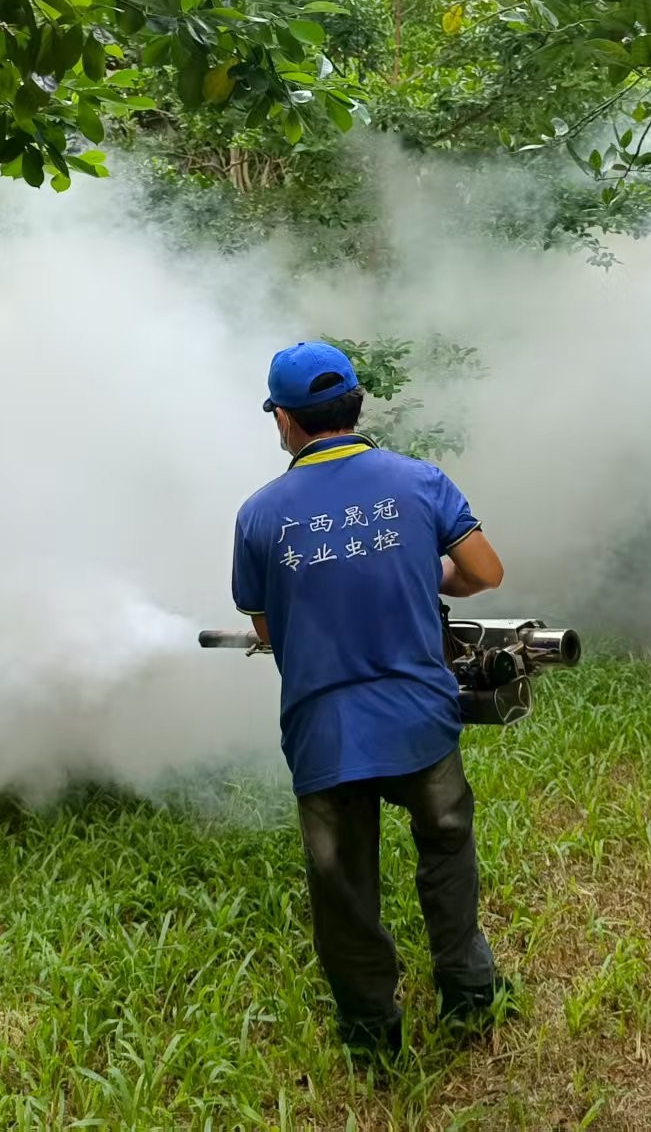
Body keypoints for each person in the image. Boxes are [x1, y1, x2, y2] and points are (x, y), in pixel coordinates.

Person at [230, 340, 513, 1058]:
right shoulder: (418, 481)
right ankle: (470, 997)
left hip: (324, 733)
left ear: (284, 419)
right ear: (356, 403)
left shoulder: (259, 515)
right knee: (446, 848)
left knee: (343, 886)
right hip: (421, 718)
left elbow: (266, 628)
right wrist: (431, 570)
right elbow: (485, 572)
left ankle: (370, 1036)